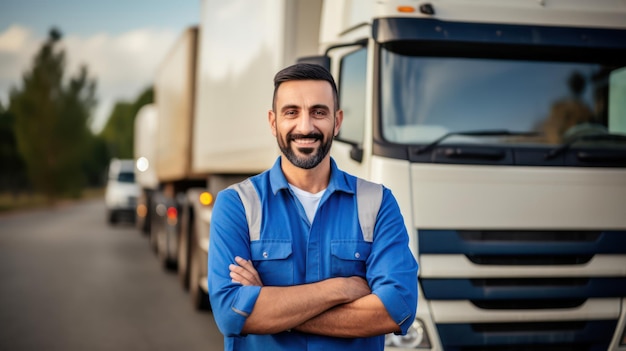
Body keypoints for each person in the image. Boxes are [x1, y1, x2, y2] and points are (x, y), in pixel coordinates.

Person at [207, 63, 418, 350]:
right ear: (273, 122)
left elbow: (398, 307)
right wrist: (340, 288)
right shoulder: (237, 204)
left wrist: (270, 303)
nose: (305, 127)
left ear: (338, 121)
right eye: (291, 112)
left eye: (319, 112)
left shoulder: (378, 203)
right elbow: (231, 314)